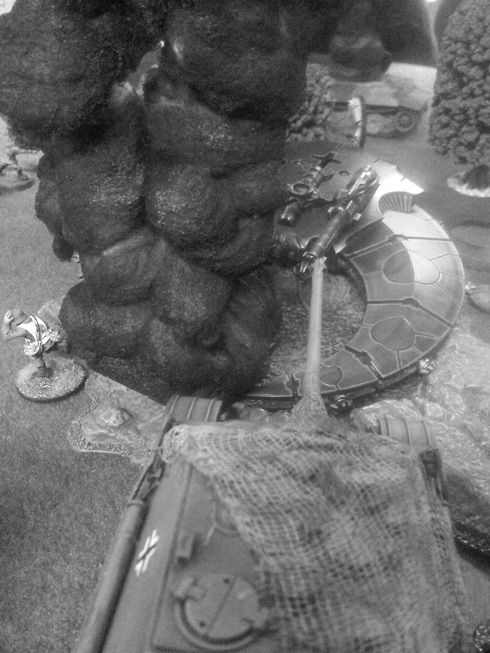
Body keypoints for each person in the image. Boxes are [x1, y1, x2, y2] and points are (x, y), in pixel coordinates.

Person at [2, 308, 62, 377]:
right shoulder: (34, 317)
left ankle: (42, 372)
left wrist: (6, 323)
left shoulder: (22, 329)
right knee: (56, 346)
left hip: (40, 345)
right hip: (49, 340)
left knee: (34, 357)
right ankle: (61, 346)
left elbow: (6, 336)